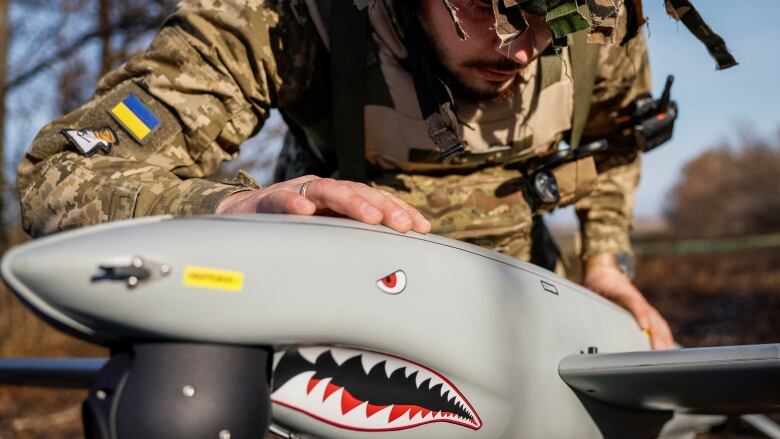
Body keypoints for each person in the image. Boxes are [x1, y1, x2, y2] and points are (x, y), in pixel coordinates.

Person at [16, 0, 734, 349]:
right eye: (489, 7)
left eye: (550, 18)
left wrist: (606, 259)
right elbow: (63, 173)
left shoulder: (598, 24)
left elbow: (617, 134)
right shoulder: (286, 18)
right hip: (330, 307)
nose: (520, 48)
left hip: (520, 302)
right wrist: (234, 213)